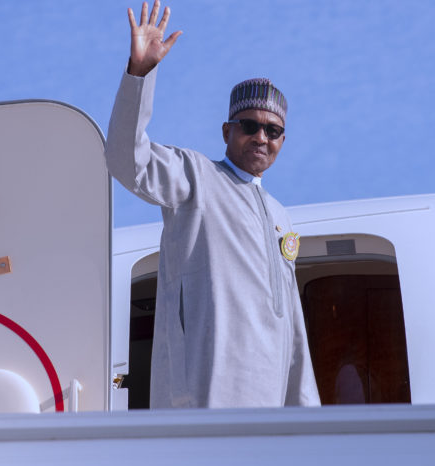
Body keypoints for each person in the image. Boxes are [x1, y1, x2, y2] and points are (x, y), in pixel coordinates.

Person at [105, 0, 319, 409]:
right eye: (250, 126)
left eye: (272, 130)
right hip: (204, 399)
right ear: (227, 131)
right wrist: (140, 73)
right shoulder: (194, 177)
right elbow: (124, 159)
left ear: (282, 141)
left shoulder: (280, 216)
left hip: (270, 410)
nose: (261, 137)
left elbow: (291, 327)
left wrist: (306, 413)